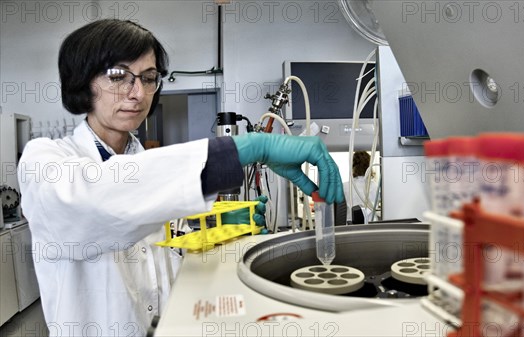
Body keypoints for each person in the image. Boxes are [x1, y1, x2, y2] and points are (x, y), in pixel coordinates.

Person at [17, 19, 344, 337]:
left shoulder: (149, 165)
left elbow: (159, 253)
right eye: (119, 76)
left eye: (148, 78)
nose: (137, 93)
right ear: (83, 81)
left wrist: (215, 228)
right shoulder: (46, 161)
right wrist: (247, 148)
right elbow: (96, 202)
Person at [343, 151, 379, 223]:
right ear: (369, 166)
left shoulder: (345, 186)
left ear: (353, 165)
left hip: (351, 225)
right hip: (371, 224)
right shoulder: (374, 186)